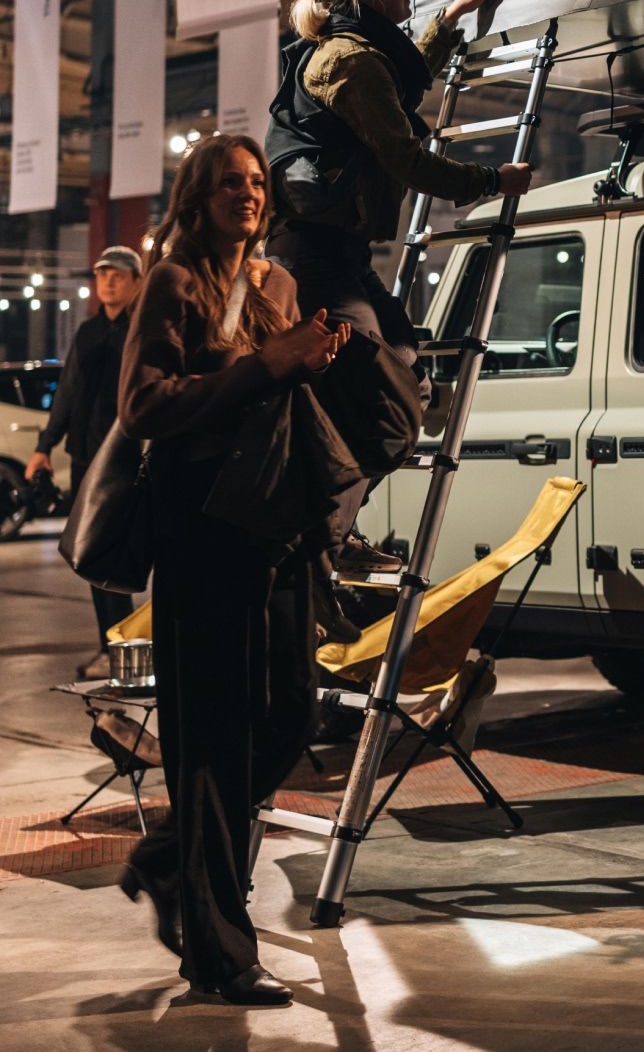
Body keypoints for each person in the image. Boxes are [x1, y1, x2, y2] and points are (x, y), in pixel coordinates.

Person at [118, 134, 348, 1007]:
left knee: (292, 714)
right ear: (198, 195)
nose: (247, 195)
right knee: (212, 742)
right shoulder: (175, 283)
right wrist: (263, 365)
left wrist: (310, 363)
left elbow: (276, 395)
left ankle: (166, 856)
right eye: (228, 184)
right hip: (202, 532)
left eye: (255, 182)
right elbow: (142, 407)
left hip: (276, 527)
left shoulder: (277, 283)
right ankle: (219, 955)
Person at [265, 0, 532, 562]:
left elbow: (397, 86)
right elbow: (406, 157)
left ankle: (333, 528)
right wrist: (491, 181)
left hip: (339, 255)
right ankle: (325, 539)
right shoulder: (349, 61)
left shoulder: (353, 53)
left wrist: (449, 19)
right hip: (315, 258)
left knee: (406, 371)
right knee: (382, 392)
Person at [26, 244, 144, 679]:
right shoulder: (89, 332)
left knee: (123, 556)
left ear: (136, 282)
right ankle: (109, 648)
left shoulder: (142, 330)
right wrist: (44, 446)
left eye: (118, 274)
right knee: (91, 553)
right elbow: (69, 391)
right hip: (85, 457)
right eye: (102, 274)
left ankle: (129, 650)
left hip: (128, 459)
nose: (108, 281)